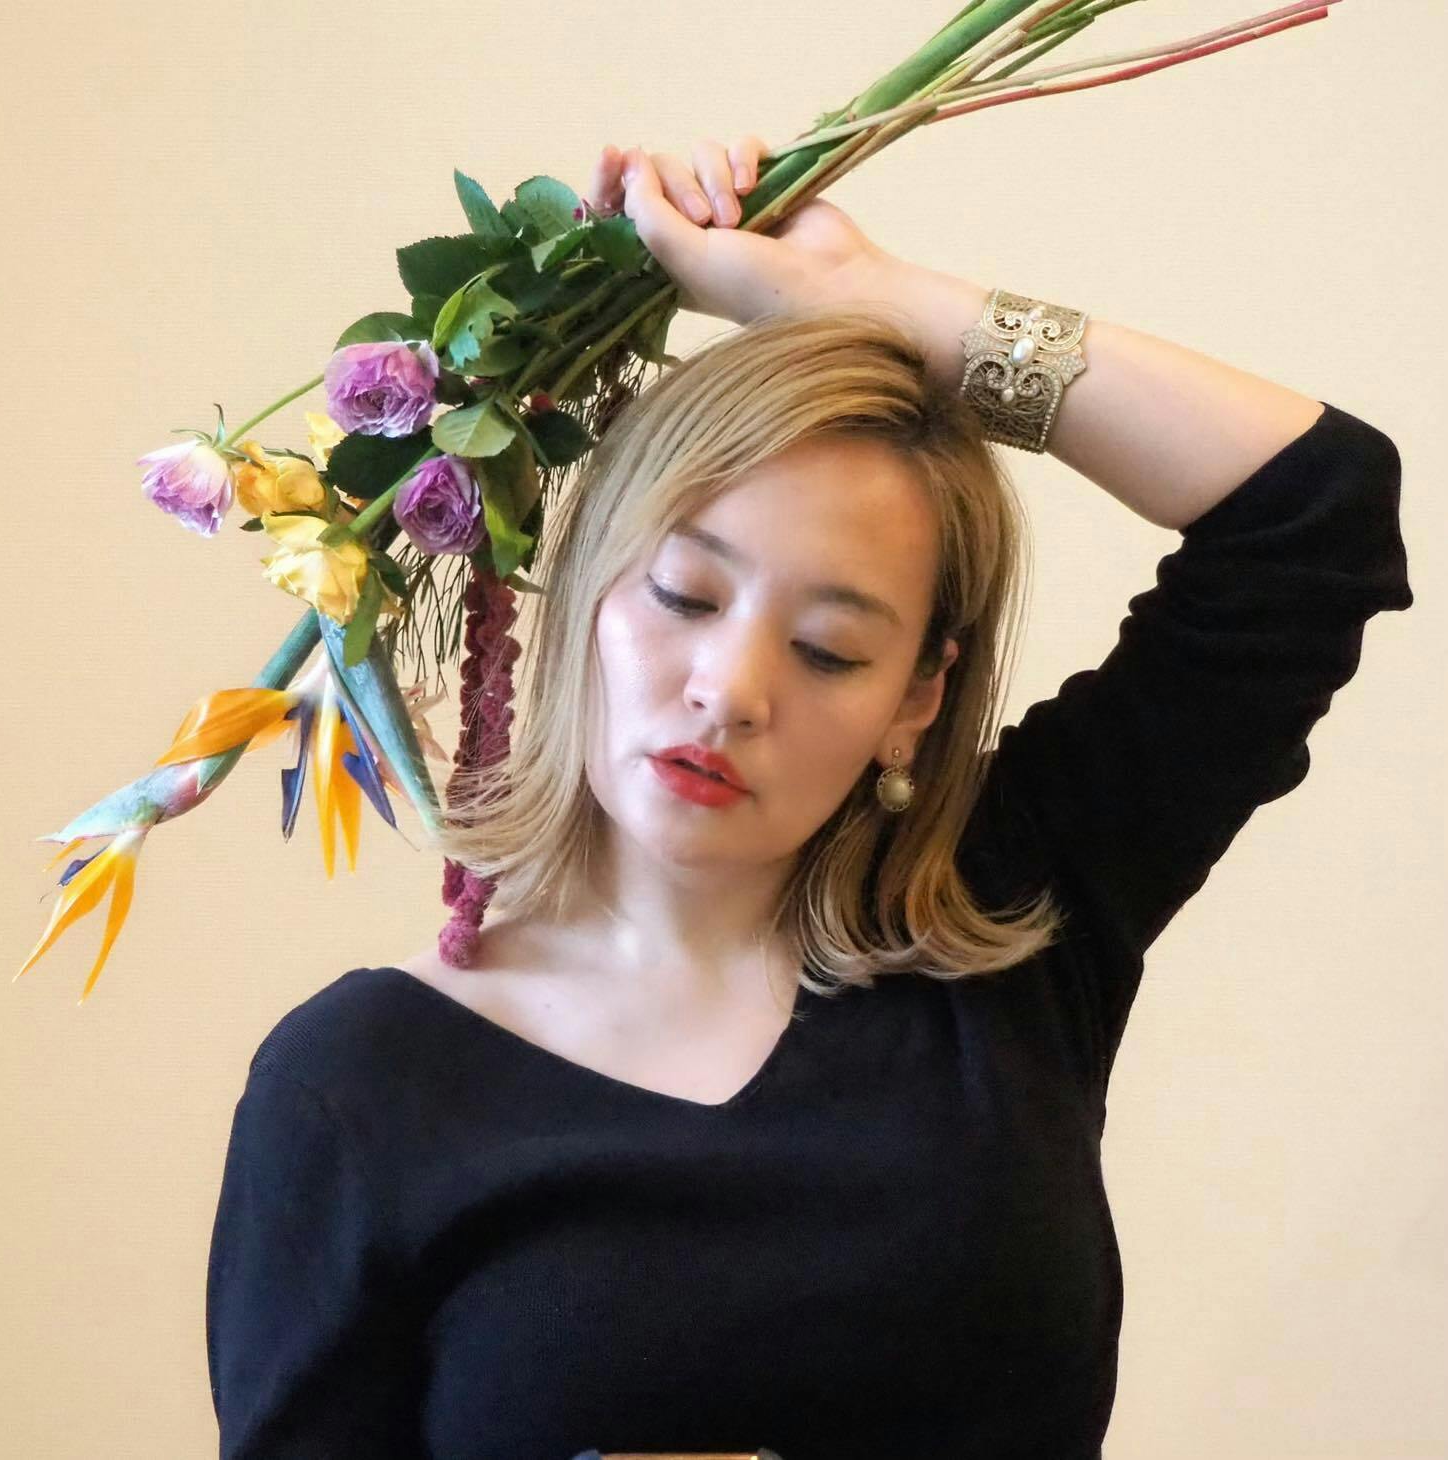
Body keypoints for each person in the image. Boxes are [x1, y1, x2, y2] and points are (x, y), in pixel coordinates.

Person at [205, 136, 1415, 1459]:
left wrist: (871, 306)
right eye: (685, 595)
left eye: (831, 649)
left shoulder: (1009, 922)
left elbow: (1315, 513)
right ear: (588, 590)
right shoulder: (360, 1088)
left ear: (917, 695)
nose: (731, 690)